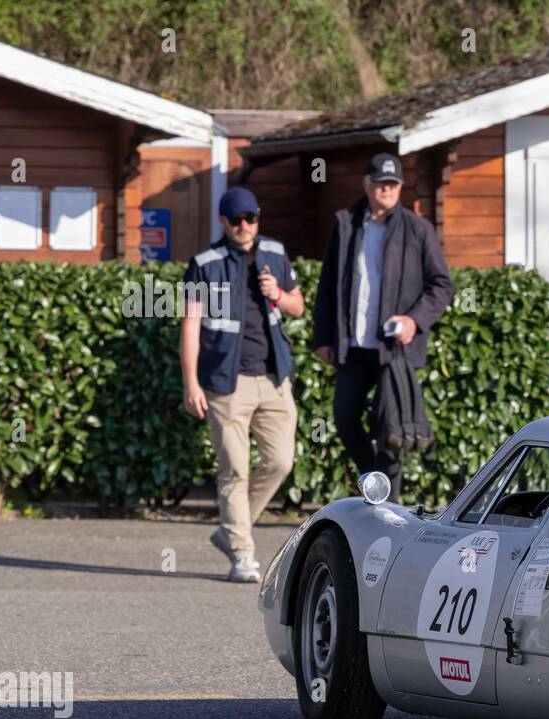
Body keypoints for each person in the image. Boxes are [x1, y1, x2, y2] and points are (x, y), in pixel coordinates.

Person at [312, 153, 453, 499]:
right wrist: (323, 337)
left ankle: (387, 508)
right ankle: (375, 481)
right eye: (380, 183)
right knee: (344, 418)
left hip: (395, 350)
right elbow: (327, 285)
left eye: (392, 184)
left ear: (400, 188)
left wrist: (413, 320)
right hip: (353, 344)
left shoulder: (417, 229)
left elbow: (442, 285)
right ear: (367, 184)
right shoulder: (345, 224)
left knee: (391, 430)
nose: (386, 189)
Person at [181, 186, 303, 582]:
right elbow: (191, 325)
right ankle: (243, 556)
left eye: (251, 218)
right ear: (222, 222)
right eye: (236, 220)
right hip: (225, 383)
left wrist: (278, 294)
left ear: (258, 216)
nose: (245, 226)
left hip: (273, 379)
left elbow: (298, 305)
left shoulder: (275, 253)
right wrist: (191, 383)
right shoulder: (204, 263)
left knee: (280, 461)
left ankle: (232, 530)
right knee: (235, 468)